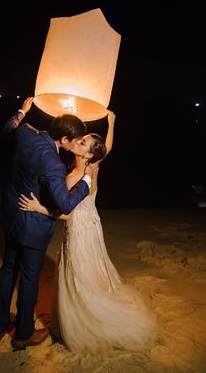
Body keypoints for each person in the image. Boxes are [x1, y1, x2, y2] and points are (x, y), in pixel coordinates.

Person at [19, 110, 156, 354]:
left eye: (83, 142)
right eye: (80, 139)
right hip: (93, 227)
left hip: (80, 232)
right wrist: (112, 123)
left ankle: (84, 325)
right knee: (90, 275)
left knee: (79, 277)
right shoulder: (94, 165)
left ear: (88, 153)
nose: (78, 141)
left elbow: (67, 213)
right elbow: (108, 148)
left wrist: (40, 208)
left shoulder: (74, 176)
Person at [0, 97, 99, 351]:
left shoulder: (27, 133)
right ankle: (23, 335)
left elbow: (8, 128)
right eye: (75, 140)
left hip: (10, 213)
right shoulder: (52, 162)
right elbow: (64, 204)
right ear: (63, 141)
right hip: (32, 225)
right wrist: (86, 181)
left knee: (8, 269)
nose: (76, 144)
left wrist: (22, 110)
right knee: (29, 279)